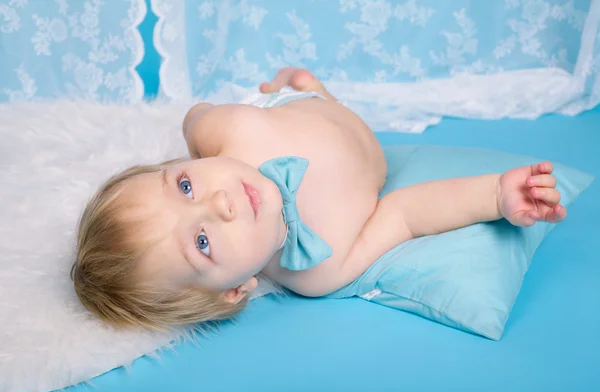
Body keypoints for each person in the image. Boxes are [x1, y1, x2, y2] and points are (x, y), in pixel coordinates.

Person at [71, 67, 566, 330]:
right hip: (369, 151)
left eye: (184, 186)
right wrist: (494, 194)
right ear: (234, 290)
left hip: (300, 109)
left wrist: (201, 120)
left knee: (271, 103)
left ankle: (307, 90)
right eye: (201, 241)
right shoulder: (317, 269)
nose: (219, 201)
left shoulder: (227, 130)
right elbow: (406, 215)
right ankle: (313, 93)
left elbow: (192, 120)